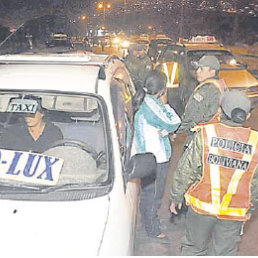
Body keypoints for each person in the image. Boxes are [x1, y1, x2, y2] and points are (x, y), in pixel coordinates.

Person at [169, 90, 258, 255]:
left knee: (193, 249)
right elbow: (255, 183)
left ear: (221, 111)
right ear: (246, 116)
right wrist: (250, 208)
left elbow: (186, 169)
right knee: (224, 253)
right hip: (234, 212)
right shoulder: (255, 141)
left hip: (201, 208)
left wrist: (176, 196)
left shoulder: (206, 134)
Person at [133, 70, 181, 241]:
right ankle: (152, 228)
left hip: (148, 156)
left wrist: (164, 130)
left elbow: (161, 126)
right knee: (154, 195)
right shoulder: (152, 105)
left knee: (148, 193)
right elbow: (174, 122)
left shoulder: (146, 101)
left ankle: (148, 220)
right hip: (155, 158)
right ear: (161, 89)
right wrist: (166, 104)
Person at [176, 55, 227, 135]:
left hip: (202, 134)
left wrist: (176, 131)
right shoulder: (220, 85)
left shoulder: (206, 90)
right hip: (216, 132)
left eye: (201, 69)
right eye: (197, 68)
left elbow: (192, 116)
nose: (197, 71)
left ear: (212, 71)